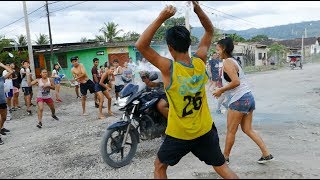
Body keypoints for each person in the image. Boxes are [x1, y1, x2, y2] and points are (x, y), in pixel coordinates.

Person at [135, 2, 238, 179]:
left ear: (170, 48)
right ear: (189, 43)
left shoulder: (169, 68)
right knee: (221, 167)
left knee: (160, 166)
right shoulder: (200, 61)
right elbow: (209, 30)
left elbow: (141, 45)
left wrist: (162, 17)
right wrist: (197, 8)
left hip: (179, 133)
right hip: (205, 129)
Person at [212, 37, 274, 164]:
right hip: (248, 97)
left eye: (217, 49)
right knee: (247, 129)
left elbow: (236, 82)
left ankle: (224, 158)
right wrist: (222, 89)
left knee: (231, 131)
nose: (216, 52)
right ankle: (266, 154)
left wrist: (220, 90)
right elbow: (234, 81)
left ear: (223, 48)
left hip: (239, 100)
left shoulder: (227, 62)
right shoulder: (233, 61)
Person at [0, 62, 13, 143]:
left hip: (2, 101)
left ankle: (1, 129)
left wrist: (2, 65)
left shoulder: (1, 78)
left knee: (4, 118)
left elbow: (11, 72)